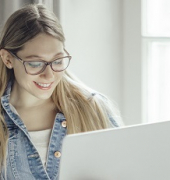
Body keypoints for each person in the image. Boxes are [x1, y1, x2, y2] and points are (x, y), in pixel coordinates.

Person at [0, 3, 122, 180]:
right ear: (8, 59)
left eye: (57, 61)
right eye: (35, 64)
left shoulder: (93, 108)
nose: (49, 75)